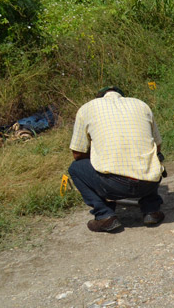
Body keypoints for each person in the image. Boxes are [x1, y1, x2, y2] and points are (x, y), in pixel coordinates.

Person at [68, 87, 165, 233]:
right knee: (153, 157)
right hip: (148, 182)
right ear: (122, 97)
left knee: (75, 168)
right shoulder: (141, 105)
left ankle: (104, 215)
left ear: (99, 98)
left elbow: (77, 154)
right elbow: (157, 147)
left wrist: (100, 157)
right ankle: (151, 210)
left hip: (113, 185)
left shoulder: (86, 109)